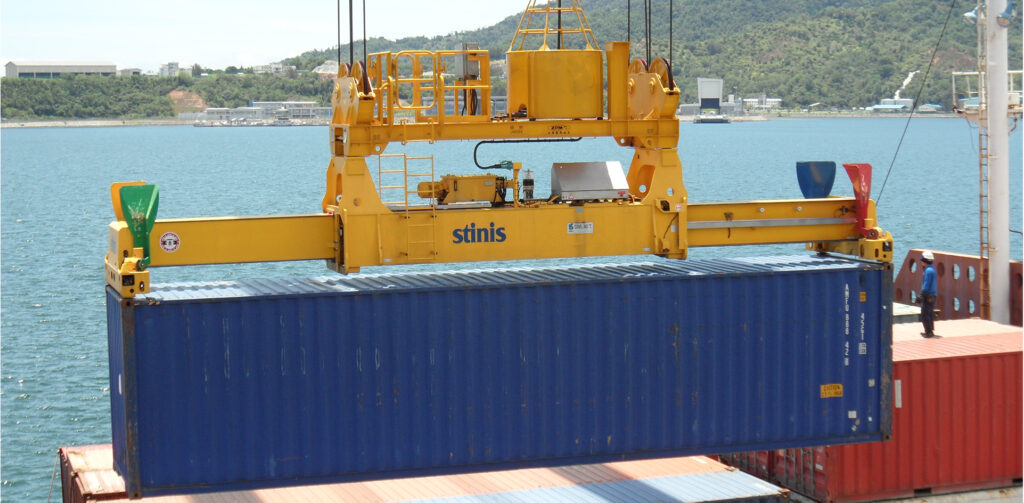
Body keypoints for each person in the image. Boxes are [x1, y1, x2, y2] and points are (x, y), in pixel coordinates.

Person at [919, 250, 937, 338]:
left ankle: (928, 332)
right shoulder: (932, 269)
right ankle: (930, 331)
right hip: (932, 295)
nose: (921, 261)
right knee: (929, 313)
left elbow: (926, 284)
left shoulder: (928, 271)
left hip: (928, 295)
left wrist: (921, 295)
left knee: (925, 314)